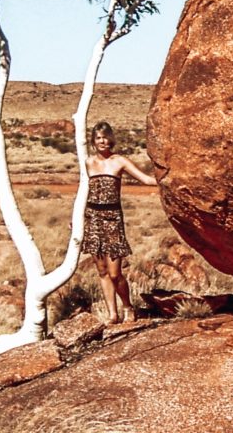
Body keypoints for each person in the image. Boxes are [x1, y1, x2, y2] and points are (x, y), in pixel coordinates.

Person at [81, 121, 157, 323]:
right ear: (93, 141)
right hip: (93, 219)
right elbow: (84, 193)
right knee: (102, 271)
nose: (102, 141)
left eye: (105, 137)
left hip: (113, 219)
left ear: (111, 139)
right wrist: (78, 218)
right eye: (98, 138)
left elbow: (147, 180)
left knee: (115, 273)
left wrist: (172, 177)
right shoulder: (88, 163)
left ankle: (127, 306)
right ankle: (113, 314)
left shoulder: (119, 161)